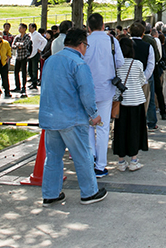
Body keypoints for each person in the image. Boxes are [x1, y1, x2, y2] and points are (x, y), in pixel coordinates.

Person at [39, 28, 107, 207]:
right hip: (72, 117)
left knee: (53, 157)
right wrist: (94, 115)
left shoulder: (50, 60)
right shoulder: (79, 64)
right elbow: (87, 93)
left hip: (51, 117)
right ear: (81, 44)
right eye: (86, 45)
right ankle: (89, 192)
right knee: (82, 155)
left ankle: (50, 194)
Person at [83, 13, 124, 178]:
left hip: (86, 89)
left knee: (87, 126)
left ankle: (90, 157)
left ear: (88, 27)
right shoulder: (112, 41)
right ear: (103, 25)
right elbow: (119, 62)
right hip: (106, 88)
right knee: (103, 127)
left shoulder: (85, 41)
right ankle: (100, 165)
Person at [112, 37, 148, 172]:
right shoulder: (137, 63)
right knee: (135, 130)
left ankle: (121, 161)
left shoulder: (116, 65)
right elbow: (142, 80)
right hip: (136, 100)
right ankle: (134, 160)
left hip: (120, 101)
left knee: (120, 130)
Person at [130, 23, 157, 130]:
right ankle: (145, 124)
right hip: (144, 79)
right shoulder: (147, 46)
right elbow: (151, 64)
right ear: (143, 34)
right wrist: (144, 78)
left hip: (127, 80)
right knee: (145, 103)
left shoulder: (125, 44)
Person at [11, 23, 32, 98]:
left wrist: (18, 44)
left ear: (24, 29)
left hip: (24, 56)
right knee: (16, 72)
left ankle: (23, 87)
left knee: (24, 73)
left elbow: (25, 45)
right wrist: (18, 45)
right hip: (18, 57)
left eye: (20, 28)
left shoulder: (27, 37)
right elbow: (13, 45)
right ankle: (17, 86)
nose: (19, 29)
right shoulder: (17, 37)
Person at [27, 23, 46, 90]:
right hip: (30, 53)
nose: (29, 29)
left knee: (34, 69)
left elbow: (44, 41)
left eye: (30, 27)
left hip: (35, 53)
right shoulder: (29, 35)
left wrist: (40, 49)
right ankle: (32, 81)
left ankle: (34, 83)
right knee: (29, 69)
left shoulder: (37, 34)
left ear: (34, 28)